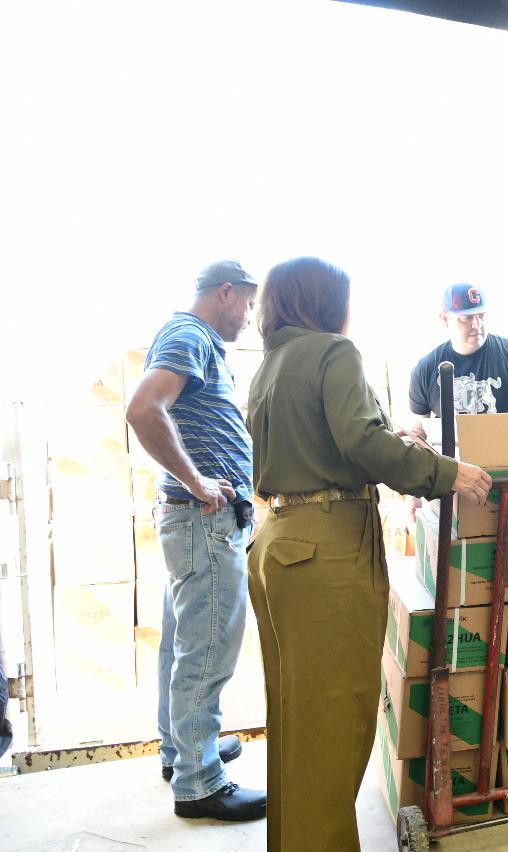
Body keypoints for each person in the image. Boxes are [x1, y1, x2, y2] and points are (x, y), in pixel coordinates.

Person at [245, 257, 491, 850]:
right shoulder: (332, 352)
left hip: (279, 542)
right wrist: (447, 473)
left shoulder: (272, 363)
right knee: (334, 722)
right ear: (325, 302)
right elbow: (358, 440)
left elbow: (331, 438)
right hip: (324, 551)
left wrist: (389, 438)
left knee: (297, 721)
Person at [125, 259, 264, 821]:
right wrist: (198, 481)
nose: (249, 317)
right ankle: (200, 781)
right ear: (226, 292)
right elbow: (143, 409)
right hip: (203, 521)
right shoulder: (189, 335)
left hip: (194, 522)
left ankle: (181, 751)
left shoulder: (193, 339)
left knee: (185, 645)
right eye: (248, 303)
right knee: (207, 650)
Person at [408, 283, 508, 420]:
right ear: (445, 319)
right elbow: (419, 428)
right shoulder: (425, 370)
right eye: (467, 317)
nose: (477, 324)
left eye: (481, 315)